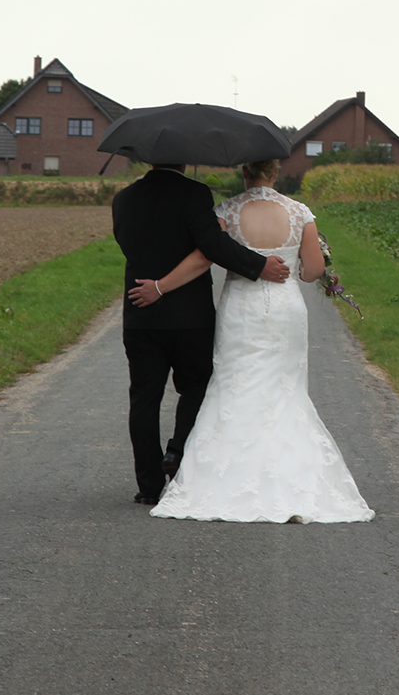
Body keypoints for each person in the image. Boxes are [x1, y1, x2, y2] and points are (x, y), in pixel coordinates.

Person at [128, 157, 374, 524]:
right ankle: (293, 476)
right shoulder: (300, 212)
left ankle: (214, 475)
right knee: (284, 388)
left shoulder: (227, 209)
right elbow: (313, 271)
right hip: (285, 308)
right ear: (275, 172)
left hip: (241, 307)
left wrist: (162, 287)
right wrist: (300, 269)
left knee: (235, 385)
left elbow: (204, 257)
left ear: (245, 172)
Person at [111, 161, 290, 506]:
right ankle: (177, 455)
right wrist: (258, 265)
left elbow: (127, 243)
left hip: (140, 312)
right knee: (195, 388)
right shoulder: (194, 193)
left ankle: (148, 487)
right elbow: (212, 245)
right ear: (182, 160)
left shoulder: (124, 198)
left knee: (144, 400)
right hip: (189, 316)